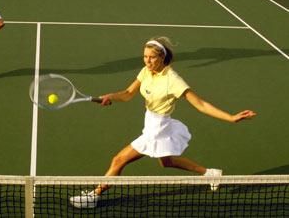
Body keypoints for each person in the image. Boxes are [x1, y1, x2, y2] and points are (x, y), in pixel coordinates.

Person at [69, 37, 256, 209]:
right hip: (150, 121)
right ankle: (211, 174)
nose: (147, 61)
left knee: (119, 160)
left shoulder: (173, 80)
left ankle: (94, 195)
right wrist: (111, 96)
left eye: (151, 57)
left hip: (158, 127)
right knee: (167, 162)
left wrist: (231, 117)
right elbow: (127, 94)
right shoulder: (146, 72)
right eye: (145, 56)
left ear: (162, 58)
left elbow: (200, 104)